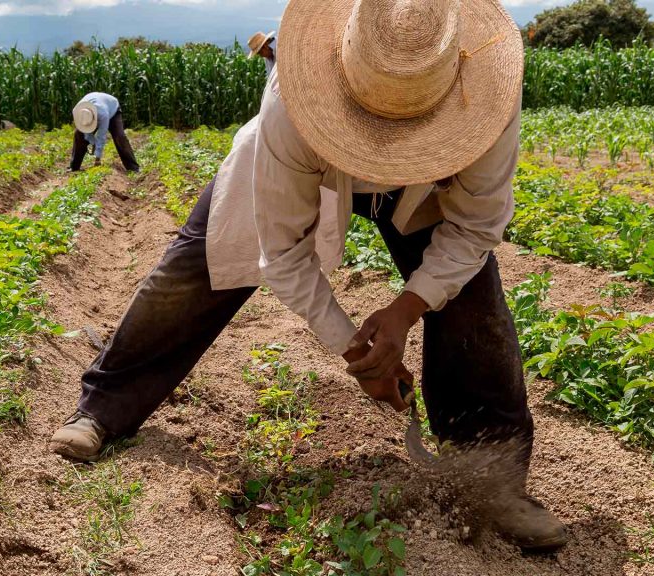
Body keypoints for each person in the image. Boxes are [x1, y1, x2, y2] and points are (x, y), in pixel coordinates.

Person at [51, 0, 568, 552]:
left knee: (472, 306)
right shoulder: (292, 106)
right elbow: (283, 250)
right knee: (197, 270)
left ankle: (493, 482)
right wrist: (355, 351)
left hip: (429, 189)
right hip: (312, 165)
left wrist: (405, 310)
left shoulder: (487, 93)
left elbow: (476, 226)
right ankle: (104, 408)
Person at [70, 92, 140, 173]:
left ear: (95, 118)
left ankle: (133, 168)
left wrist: (97, 157)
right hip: (97, 105)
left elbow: (101, 136)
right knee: (79, 135)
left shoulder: (103, 114)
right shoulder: (77, 112)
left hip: (112, 109)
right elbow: (86, 132)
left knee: (119, 137)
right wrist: (92, 142)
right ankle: (74, 167)